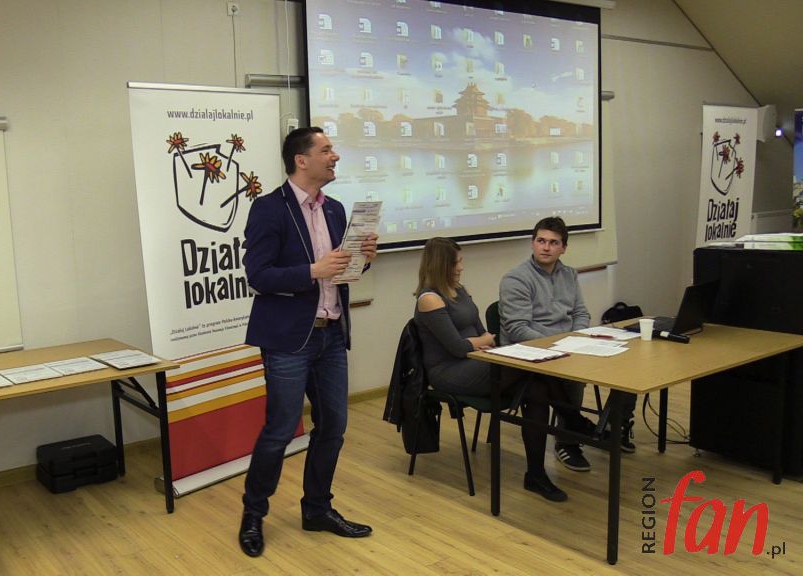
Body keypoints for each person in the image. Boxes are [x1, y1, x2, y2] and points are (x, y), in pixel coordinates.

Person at [238, 127, 378, 558]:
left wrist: (362, 260)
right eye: (326, 150)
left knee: (333, 426)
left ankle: (317, 509)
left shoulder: (335, 209)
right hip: (288, 341)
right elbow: (258, 275)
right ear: (302, 160)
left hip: (331, 334)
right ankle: (253, 515)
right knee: (280, 430)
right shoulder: (269, 209)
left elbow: (340, 272)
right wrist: (312, 271)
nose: (335, 156)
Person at [413, 237, 567, 501]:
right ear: (441, 265)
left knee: (538, 389)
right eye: (456, 263)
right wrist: (481, 342)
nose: (461, 267)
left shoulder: (460, 290)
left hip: (478, 361)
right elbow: (457, 348)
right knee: (530, 365)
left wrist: (481, 341)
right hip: (449, 372)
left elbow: (484, 333)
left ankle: (536, 474)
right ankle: (573, 420)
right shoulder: (429, 299)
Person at [499, 217, 634, 472]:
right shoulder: (516, 279)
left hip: (567, 345)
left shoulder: (569, 274)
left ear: (563, 248)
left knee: (627, 361)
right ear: (532, 243)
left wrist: (577, 338)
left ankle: (614, 425)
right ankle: (569, 440)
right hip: (531, 351)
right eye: (541, 241)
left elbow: (581, 312)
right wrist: (559, 345)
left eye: (553, 243)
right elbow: (518, 329)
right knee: (572, 375)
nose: (546, 247)